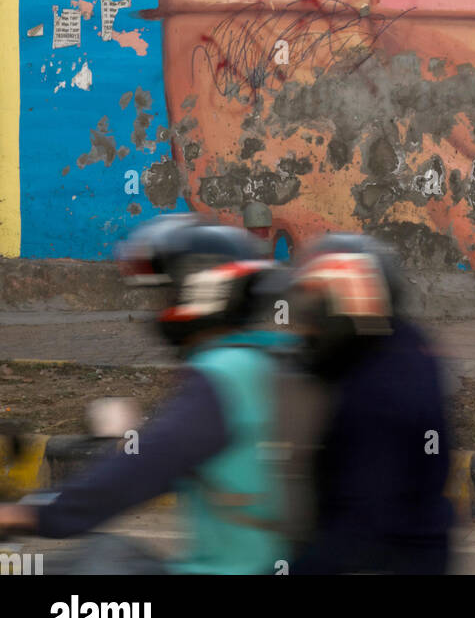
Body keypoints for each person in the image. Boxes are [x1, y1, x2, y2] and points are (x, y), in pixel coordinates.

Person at [0, 214, 297, 574]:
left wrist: (28, 513)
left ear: (204, 289)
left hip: (235, 569)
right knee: (110, 554)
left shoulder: (223, 371)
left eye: (167, 293)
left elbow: (138, 471)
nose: (160, 308)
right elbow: (169, 451)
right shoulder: (256, 358)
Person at [287, 232, 454, 575]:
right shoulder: (406, 344)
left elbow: (357, 529)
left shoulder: (377, 400)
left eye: (316, 318)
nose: (305, 331)